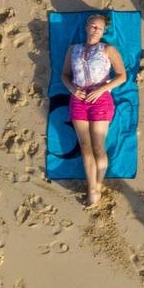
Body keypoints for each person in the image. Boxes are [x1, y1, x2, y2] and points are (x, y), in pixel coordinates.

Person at [61, 12, 127, 209]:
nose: (96, 30)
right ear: (86, 27)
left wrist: (102, 89)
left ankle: (97, 186)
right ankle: (92, 188)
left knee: (98, 145)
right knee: (85, 145)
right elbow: (64, 75)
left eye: (100, 28)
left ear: (104, 31)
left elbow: (122, 75)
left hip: (100, 99)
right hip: (78, 99)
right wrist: (72, 89)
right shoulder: (73, 49)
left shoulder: (107, 49)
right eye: (93, 26)